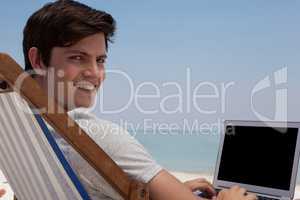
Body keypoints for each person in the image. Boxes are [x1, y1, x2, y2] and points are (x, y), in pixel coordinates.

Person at [1, 1, 257, 200]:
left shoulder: (18, 123)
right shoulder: (89, 135)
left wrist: (164, 191)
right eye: (77, 57)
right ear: (38, 61)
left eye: (100, 60)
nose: (94, 73)